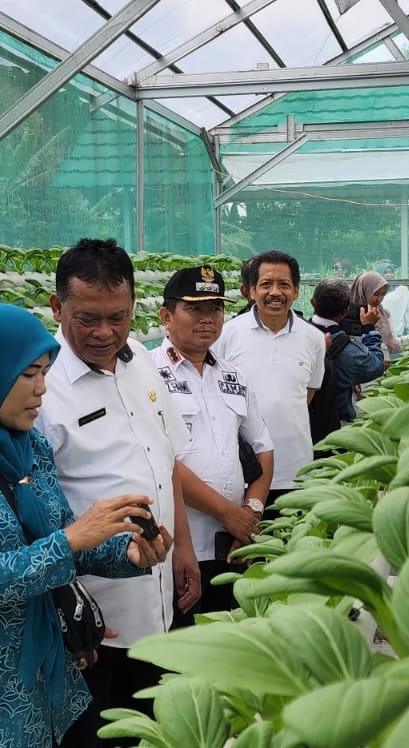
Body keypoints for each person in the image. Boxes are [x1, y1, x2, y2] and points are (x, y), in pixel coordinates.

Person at [0, 299, 172, 748]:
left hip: (40, 678)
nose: (43, 389)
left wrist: (128, 553)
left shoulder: (29, 448)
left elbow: (66, 539)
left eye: (45, 372)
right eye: (28, 375)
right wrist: (70, 540)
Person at [37, 238, 199, 746]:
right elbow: (34, 509)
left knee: (151, 727)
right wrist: (68, 600)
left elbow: (166, 459)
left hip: (157, 599)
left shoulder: (142, 363)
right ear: (58, 307)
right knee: (97, 733)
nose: (105, 333)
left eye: (118, 317)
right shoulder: (42, 386)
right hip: (93, 618)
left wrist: (185, 550)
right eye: (87, 319)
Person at [151, 265, 274, 625]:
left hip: (233, 544)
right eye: (195, 309)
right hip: (178, 546)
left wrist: (249, 514)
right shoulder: (147, 373)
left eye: (215, 309)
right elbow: (163, 459)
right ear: (166, 316)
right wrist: (227, 513)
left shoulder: (233, 375)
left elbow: (263, 448)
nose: (208, 319)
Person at [214, 250, 325, 508]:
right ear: (251, 291)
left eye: (284, 284)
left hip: (296, 474)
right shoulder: (227, 335)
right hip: (241, 472)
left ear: (297, 291)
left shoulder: (314, 339)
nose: (275, 292)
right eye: (266, 284)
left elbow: (307, 395)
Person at [309, 278, 385, 424]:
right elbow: (376, 366)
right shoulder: (347, 350)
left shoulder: (299, 334)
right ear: (346, 310)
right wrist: (369, 329)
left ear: (313, 302)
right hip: (335, 423)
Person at [346, 270, 408, 357]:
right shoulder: (349, 315)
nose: (379, 299)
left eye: (383, 295)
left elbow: (393, 344)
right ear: (365, 291)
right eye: (376, 294)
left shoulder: (383, 314)